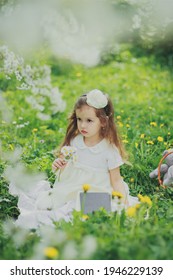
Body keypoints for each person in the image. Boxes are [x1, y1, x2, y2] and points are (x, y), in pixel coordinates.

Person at [9, 89, 138, 229]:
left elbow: (116, 180)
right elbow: (63, 168)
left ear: (103, 122)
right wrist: (59, 165)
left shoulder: (109, 149)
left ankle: (84, 214)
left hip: (97, 189)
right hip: (71, 187)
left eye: (89, 120)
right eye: (79, 119)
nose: (82, 125)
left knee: (93, 211)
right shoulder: (75, 141)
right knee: (51, 204)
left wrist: (124, 204)